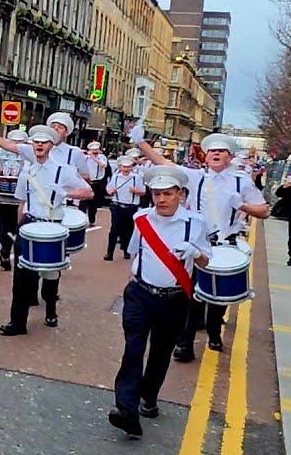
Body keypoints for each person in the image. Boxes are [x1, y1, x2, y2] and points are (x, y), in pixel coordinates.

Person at [128, 125, 270, 358]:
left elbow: (263, 211)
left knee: (218, 295)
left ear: (230, 156)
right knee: (192, 294)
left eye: (221, 151)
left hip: (225, 244)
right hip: (196, 243)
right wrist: (141, 143)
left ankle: (214, 332)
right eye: (212, 150)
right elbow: (164, 163)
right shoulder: (196, 177)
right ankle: (186, 344)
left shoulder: (241, 181)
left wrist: (242, 205)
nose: (215, 154)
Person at [108, 166, 213, 438]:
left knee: (160, 352)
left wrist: (195, 252)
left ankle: (149, 398)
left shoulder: (195, 223)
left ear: (180, 195)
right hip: (140, 294)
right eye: (156, 194)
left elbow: (206, 259)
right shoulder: (141, 218)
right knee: (133, 347)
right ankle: (126, 409)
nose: (161, 199)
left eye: (168, 193)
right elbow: (134, 252)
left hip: (175, 299)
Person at [0, 125, 94, 336]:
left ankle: (51, 309)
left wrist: (67, 193)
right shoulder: (27, 172)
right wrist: (18, 227)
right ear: (31, 145)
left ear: (51, 146)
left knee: (51, 274)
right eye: (36, 142)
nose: (39, 145)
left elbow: (88, 192)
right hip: (30, 224)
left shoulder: (63, 170)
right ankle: (18, 323)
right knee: (21, 276)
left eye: (44, 142)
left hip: (52, 225)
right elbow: (21, 202)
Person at [0, 129, 29, 269]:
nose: (17, 144)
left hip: (22, 200)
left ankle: (19, 256)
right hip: (4, 197)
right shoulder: (1, 154)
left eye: (20, 142)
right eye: (14, 141)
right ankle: (5, 252)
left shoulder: (29, 156)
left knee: (20, 226)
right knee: (6, 226)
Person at [104, 156, 146, 261]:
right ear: (120, 167)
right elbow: (108, 188)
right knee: (114, 229)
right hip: (117, 205)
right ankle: (110, 253)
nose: (126, 169)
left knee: (128, 230)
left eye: (128, 167)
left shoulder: (136, 177)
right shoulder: (116, 177)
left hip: (131, 207)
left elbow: (143, 192)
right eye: (124, 167)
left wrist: (136, 191)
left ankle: (126, 251)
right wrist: (110, 191)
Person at [83, 142, 109, 226]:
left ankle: (92, 220)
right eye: (93, 150)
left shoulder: (102, 157)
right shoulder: (85, 158)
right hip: (86, 182)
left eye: (96, 150)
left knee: (93, 203)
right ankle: (82, 219)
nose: (95, 152)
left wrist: (94, 157)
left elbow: (103, 165)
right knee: (83, 201)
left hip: (97, 182)